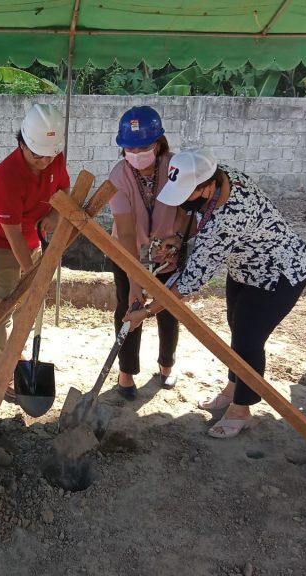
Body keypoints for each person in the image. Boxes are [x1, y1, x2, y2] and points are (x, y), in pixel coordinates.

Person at [125, 148, 306, 438]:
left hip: (280, 272)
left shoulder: (230, 217)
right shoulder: (217, 175)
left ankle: (242, 408)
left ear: (207, 187)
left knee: (249, 338)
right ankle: (232, 388)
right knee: (236, 327)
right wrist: (178, 239)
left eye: (187, 193)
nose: (183, 201)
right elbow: (197, 224)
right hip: (245, 266)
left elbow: (189, 281)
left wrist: (148, 311)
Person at [0, 103, 70, 400]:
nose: (44, 161)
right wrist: (31, 271)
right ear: (22, 142)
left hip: (32, 238)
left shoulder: (53, 156)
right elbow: (11, 234)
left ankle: (19, 351)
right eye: (36, 154)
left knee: (30, 302)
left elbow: (63, 191)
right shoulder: (6, 176)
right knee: (3, 306)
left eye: (48, 155)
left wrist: (54, 217)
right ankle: (5, 370)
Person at [108, 105, 195, 400]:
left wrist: (178, 239)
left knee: (168, 309)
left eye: (143, 146)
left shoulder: (176, 168)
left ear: (158, 143)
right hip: (127, 251)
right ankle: (126, 373)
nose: (135, 154)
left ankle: (166, 366)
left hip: (167, 252)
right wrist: (134, 281)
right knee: (129, 310)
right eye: (129, 148)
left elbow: (187, 209)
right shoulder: (119, 176)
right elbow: (127, 230)